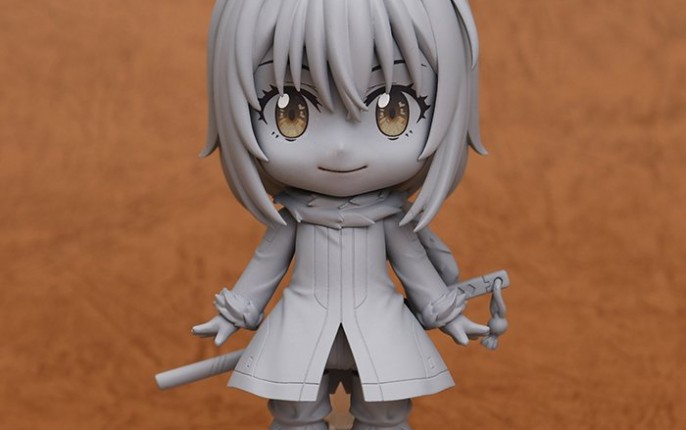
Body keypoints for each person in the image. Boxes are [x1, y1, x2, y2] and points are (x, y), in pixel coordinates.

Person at [190, 1, 504, 428]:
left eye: (393, 110)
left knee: (386, 411)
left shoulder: (390, 221)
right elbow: (264, 268)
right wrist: (235, 312)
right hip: (301, 325)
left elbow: (417, 271)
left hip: (378, 325)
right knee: (294, 412)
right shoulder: (295, 219)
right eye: (289, 110)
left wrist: (447, 315)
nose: (340, 148)